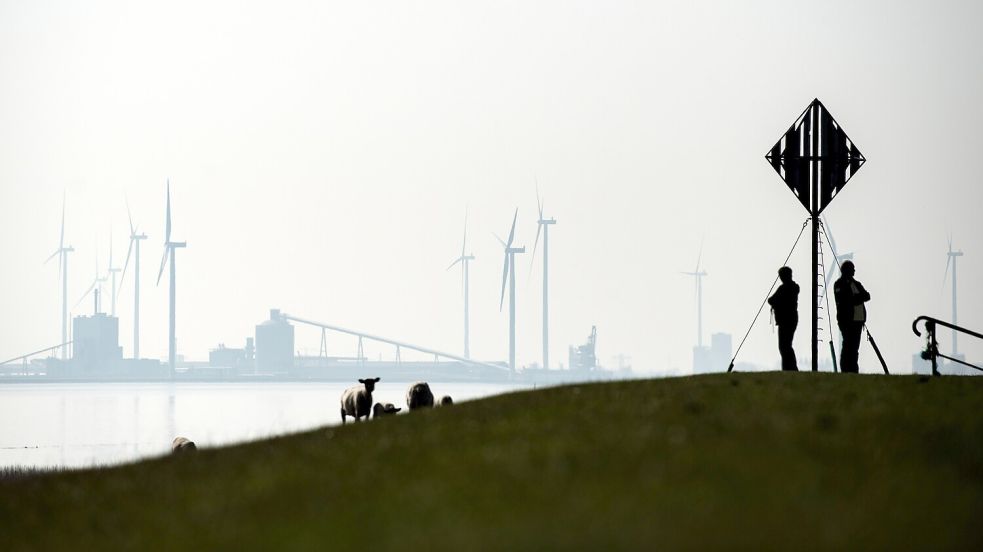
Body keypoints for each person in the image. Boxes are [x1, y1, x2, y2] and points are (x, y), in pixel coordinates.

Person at [834, 261, 870, 373]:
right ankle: (845, 369)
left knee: (854, 348)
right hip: (846, 321)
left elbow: (867, 296)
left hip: (858, 321)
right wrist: (858, 298)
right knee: (847, 346)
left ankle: (853, 369)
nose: (854, 270)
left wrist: (856, 298)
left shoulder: (856, 283)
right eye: (852, 268)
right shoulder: (839, 284)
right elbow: (845, 300)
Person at [768, 266, 799, 371]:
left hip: (785, 321)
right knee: (786, 345)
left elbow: (771, 300)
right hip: (791, 319)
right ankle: (789, 368)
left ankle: (790, 368)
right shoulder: (794, 287)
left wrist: (777, 303)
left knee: (784, 346)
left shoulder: (784, 288)